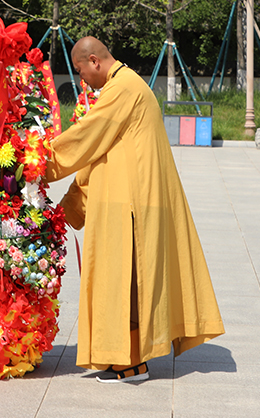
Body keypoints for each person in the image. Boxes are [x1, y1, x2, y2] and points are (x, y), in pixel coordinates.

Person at [44, 37, 224, 383]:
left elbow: (86, 137)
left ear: (94, 61)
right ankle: (120, 356)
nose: (83, 81)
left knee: (127, 280)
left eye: (82, 72)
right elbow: (100, 151)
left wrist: (37, 162)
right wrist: (70, 207)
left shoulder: (123, 88)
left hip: (132, 203)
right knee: (120, 279)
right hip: (126, 197)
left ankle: (133, 361)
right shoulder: (125, 85)